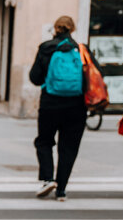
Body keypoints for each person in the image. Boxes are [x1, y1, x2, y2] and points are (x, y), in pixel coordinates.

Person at [29, 15, 88, 201]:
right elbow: (92, 78)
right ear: (72, 29)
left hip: (50, 104)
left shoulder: (46, 48)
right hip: (77, 106)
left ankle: (48, 179)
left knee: (44, 141)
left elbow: (35, 77)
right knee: (68, 147)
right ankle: (61, 189)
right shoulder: (81, 50)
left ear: (55, 29)